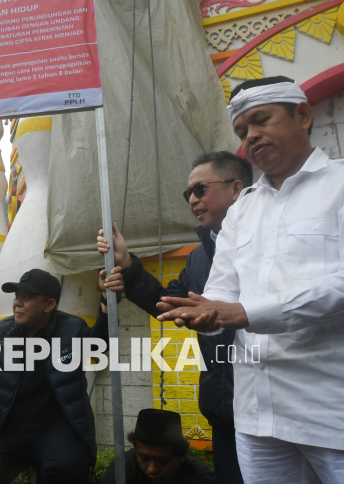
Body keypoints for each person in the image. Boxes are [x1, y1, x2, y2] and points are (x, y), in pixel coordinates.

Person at [158, 76, 344, 482]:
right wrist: (206, 311)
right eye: (242, 131)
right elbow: (222, 287)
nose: (251, 136)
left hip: (342, 414)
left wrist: (242, 312)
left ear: (303, 115)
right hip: (257, 415)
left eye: (261, 121)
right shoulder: (243, 210)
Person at [97, 151, 251, 483]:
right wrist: (127, 265)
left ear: (236, 188)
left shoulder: (271, 244)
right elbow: (166, 303)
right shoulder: (198, 260)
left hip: (275, 407)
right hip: (225, 413)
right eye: (188, 194)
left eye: (200, 190)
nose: (192, 200)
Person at [0, 268, 106, 483]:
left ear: (49, 305)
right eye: (17, 296)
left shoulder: (72, 329)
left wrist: (106, 300)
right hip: (8, 430)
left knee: (70, 467)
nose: (17, 303)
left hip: (54, 430)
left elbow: (100, 343)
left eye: (27, 297)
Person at [102, 409, 215, 484]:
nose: (152, 469)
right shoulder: (122, 471)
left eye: (162, 461)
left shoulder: (201, 478)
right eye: (144, 458)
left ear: (180, 457)